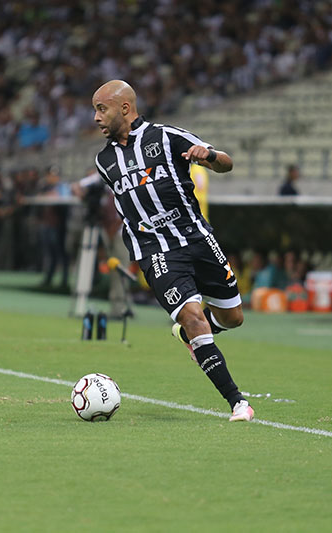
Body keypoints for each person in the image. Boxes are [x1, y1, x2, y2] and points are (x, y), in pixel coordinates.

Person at [91, 80, 253, 422]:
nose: (96, 117)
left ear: (125, 108)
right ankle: (238, 402)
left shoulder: (166, 137)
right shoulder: (104, 160)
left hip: (196, 238)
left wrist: (207, 157)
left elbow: (226, 162)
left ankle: (190, 333)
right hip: (156, 250)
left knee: (232, 318)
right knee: (192, 316)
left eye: (101, 108)